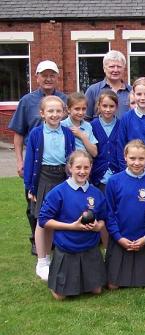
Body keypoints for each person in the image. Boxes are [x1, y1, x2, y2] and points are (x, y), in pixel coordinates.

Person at [8, 60, 67, 255]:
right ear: (37, 77)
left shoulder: (64, 99)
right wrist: (19, 160)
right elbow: (18, 133)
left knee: (60, 204)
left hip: (60, 165)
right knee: (34, 204)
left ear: (57, 77)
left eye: (52, 75)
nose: (48, 78)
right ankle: (37, 240)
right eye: (44, 75)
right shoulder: (27, 101)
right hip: (36, 164)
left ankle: (57, 240)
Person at [38, 150, 107, 300]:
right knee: (60, 296)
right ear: (70, 168)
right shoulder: (58, 192)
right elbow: (44, 220)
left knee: (97, 291)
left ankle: (84, 280)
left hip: (89, 248)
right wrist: (71, 226)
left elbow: (103, 219)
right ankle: (57, 278)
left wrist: (98, 226)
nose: (82, 172)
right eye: (78, 167)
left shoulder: (96, 193)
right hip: (67, 248)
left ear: (91, 168)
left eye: (86, 168)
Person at [24, 95, 76, 281]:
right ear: (42, 113)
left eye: (58, 111)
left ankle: (53, 255)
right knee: (41, 220)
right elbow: (30, 161)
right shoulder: (37, 134)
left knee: (57, 219)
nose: (54, 114)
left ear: (64, 113)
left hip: (62, 177)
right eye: (50, 111)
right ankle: (41, 260)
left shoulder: (68, 133)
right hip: (44, 177)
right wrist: (30, 186)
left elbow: (71, 159)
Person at [105, 140, 145, 289]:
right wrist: (118, 237)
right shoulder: (114, 181)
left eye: (141, 159)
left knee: (144, 284)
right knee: (112, 286)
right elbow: (109, 214)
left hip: (142, 239)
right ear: (125, 157)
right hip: (120, 238)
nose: (136, 163)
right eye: (132, 158)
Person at [85, 50, 132, 119]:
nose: (115, 70)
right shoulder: (93, 91)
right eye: (112, 66)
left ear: (124, 69)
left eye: (119, 67)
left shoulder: (132, 91)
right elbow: (85, 118)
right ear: (104, 68)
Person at [90, 90, 120, 192]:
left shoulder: (121, 126)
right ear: (99, 106)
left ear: (116, 107)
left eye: (111, 106)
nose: (108, 109)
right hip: (97, 178)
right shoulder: (92, 126)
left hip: (117, 176)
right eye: (104, 106)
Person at [61, 92, 98, 158]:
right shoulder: (62, 125)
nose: (81, 112)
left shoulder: (88, 126)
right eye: (77, 109)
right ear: (68, 109)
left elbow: (94, 153)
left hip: (85, 164)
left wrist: (82, 136)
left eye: (83, 109)